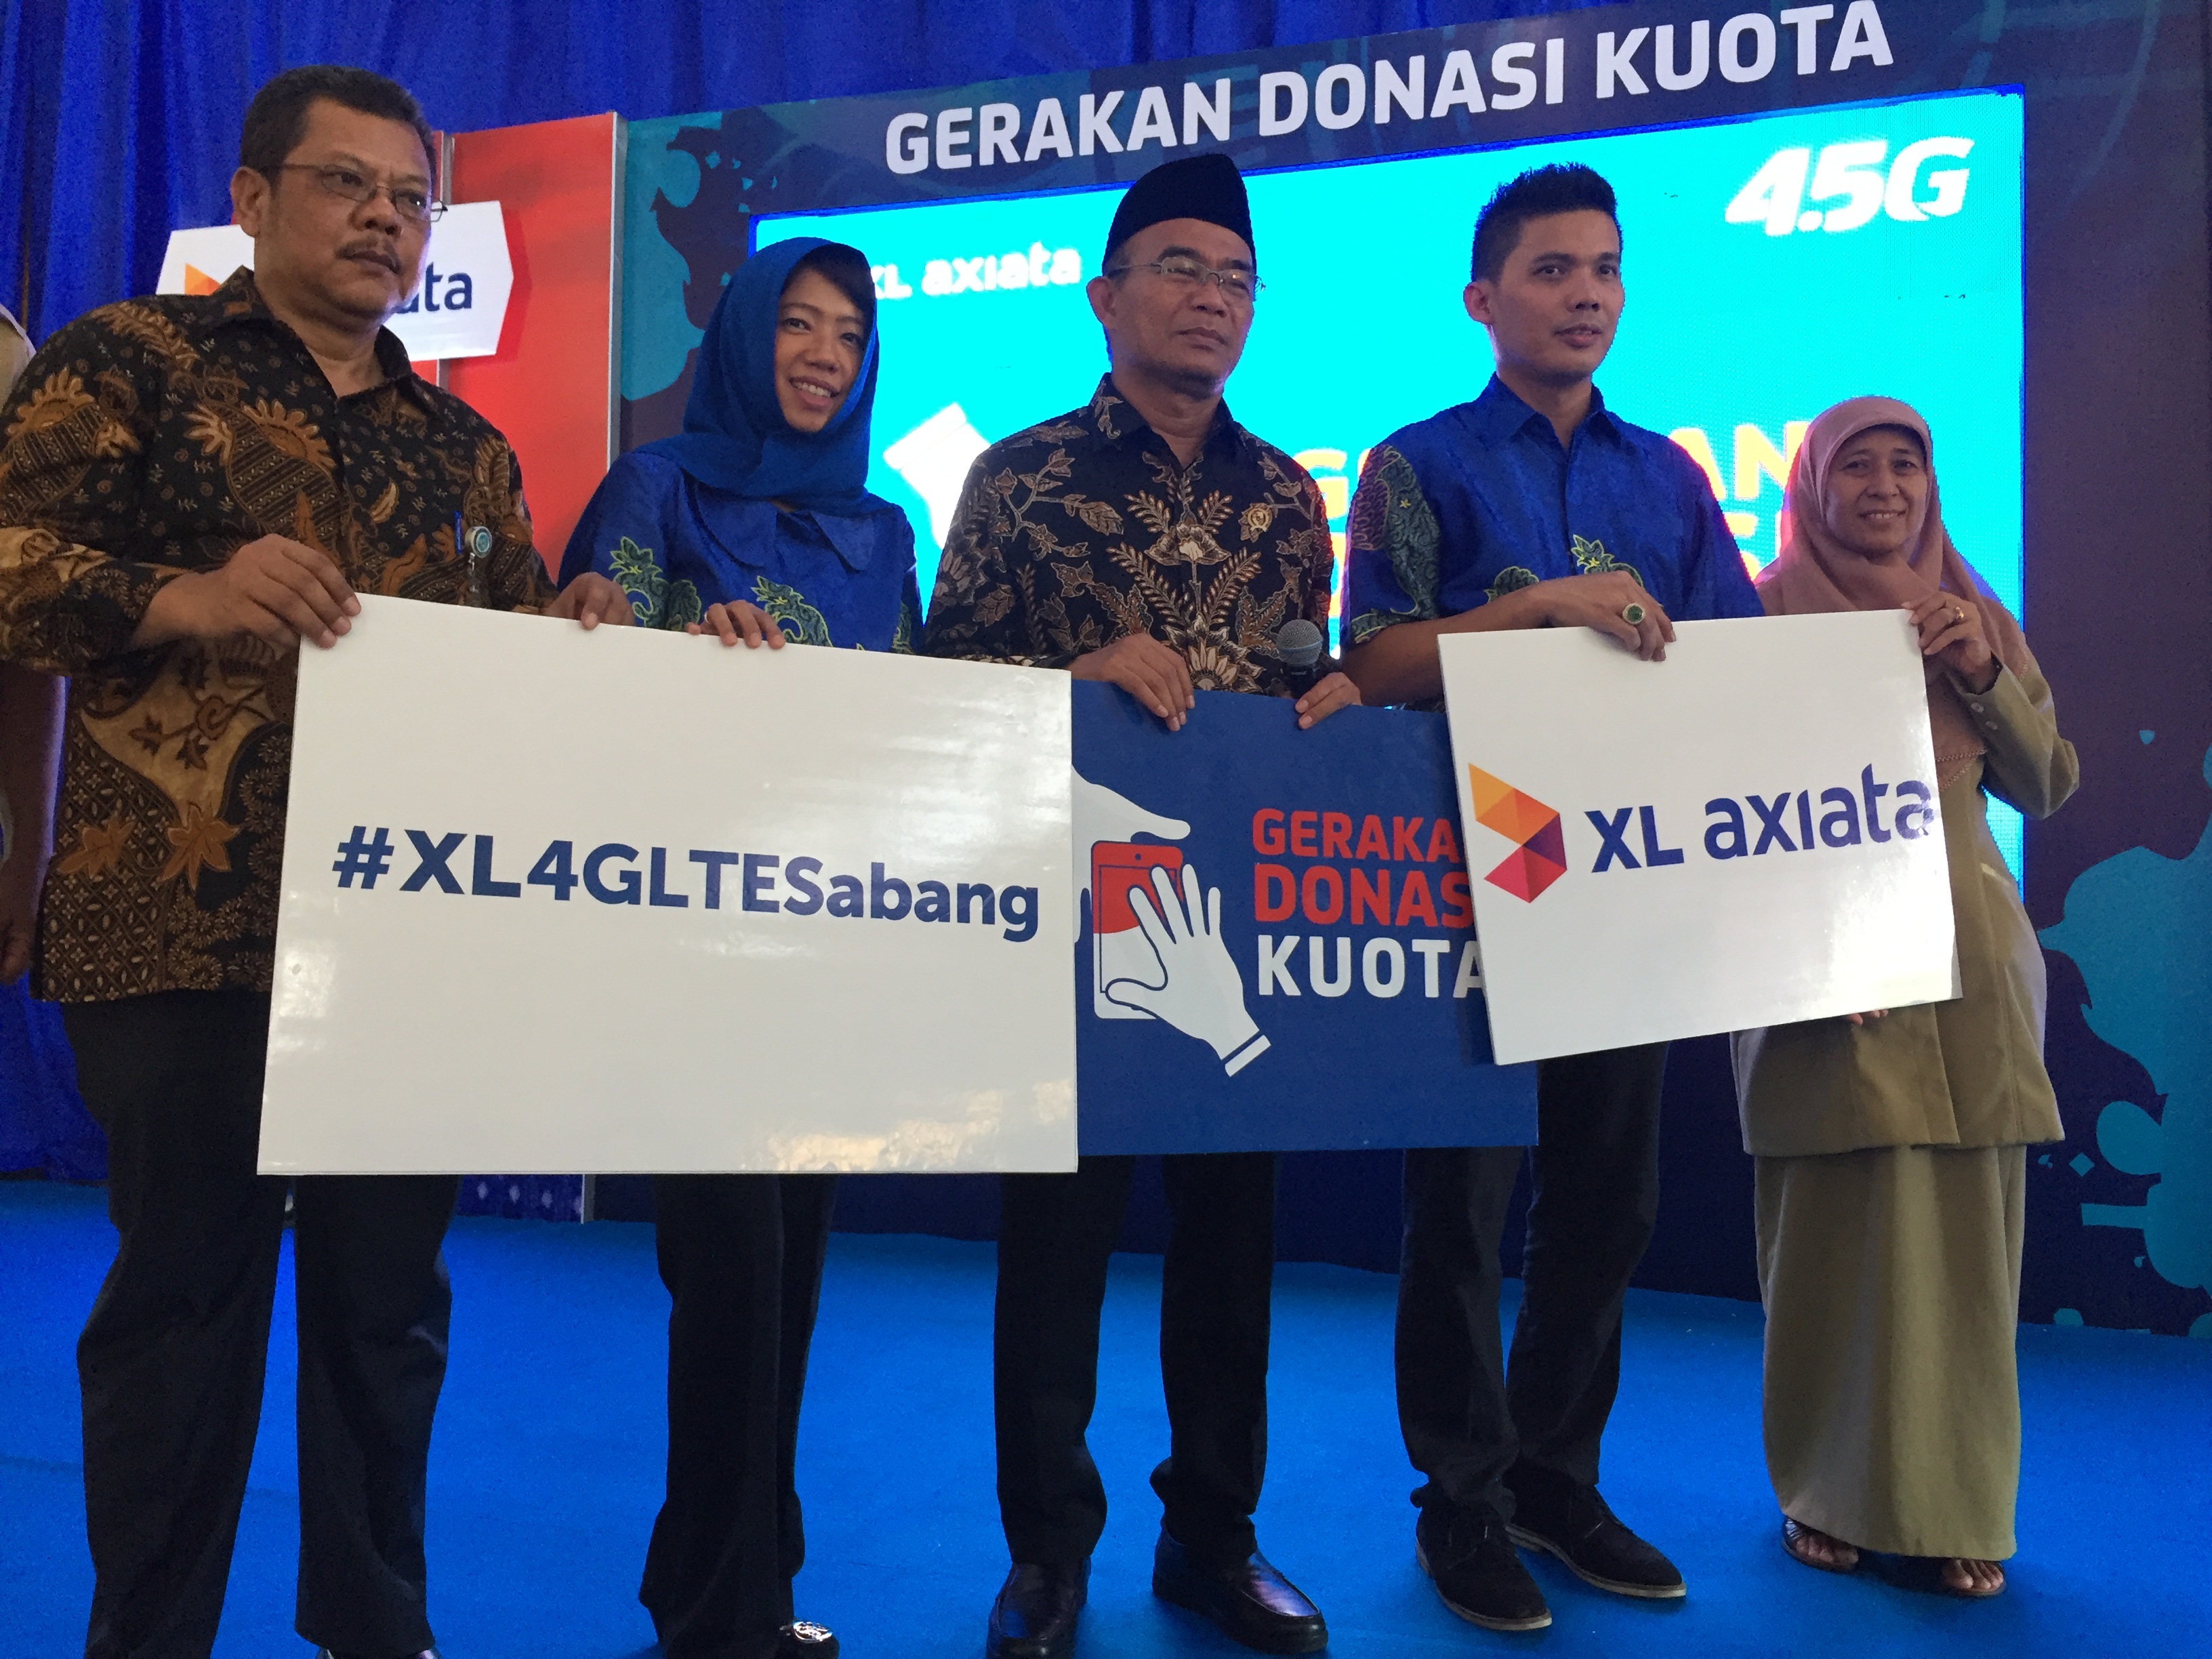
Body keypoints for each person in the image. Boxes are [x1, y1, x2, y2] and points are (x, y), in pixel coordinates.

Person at [0, 65, 632, 1659]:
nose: (383, 221)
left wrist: (570, 629)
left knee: (387, 1314)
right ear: (253, 198)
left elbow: (505, 659)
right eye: (346, 184)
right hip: (180, 926)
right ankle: (148, 1638)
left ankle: (378, 1628)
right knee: (180, 1310)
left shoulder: (467, 449)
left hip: (400, 954)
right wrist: (179, 593)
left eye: (410, 197)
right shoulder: (127, 362)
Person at [925, 152, 1358, 1659]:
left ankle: (1213, 1540)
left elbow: (1306, 674)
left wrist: (1335, 702)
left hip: (1234, 927)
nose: (1211, 298)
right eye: (1180, 268)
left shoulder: (1290, 496)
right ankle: (1046, 1556)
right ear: (1106, 297)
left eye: (1237, 279)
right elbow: (940, 688)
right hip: (1064, 920)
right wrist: (1075, 673)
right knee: (1055, 1251)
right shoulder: (1019, 479)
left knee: (1233, 1248)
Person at [1340, 162, 1761, 1633]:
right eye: (1552, 269)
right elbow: (1374, 663)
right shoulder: (1418, 465)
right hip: (1469, 884)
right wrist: (1535, 609)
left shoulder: (1672, 480)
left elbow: (1738, 670)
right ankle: (1458, 1503)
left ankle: (1553, 1478)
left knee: (1607, 1205)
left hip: (1626, 891)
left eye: (1605, 269)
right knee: (1460, 1209)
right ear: (1484, 297)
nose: (1586, 294)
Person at [559, 234, 917, 1659]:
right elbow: (586, 663)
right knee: (728, 1280)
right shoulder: (658, 485)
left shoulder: (884, 530)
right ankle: (718, 1612)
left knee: (790, 1283)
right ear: (744, 335)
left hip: (829, 949)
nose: (824, 356)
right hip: (691, 947)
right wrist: (674, 643)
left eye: (849, 336)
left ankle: (744, 1584)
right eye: (798, 325)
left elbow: (906, 724)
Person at [1736, 396, 2075, 1599]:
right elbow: (1716, 805)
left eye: (1907, 466)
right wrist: (1813, 944)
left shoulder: (1972, 612)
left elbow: (2047, 784)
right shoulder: (1758, 613)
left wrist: (1980, 672)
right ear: (1812, 486)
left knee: (1970, 1244)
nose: (1885, 487)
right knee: (1831, 1234)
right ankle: (1822, 1494)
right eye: (1858, 467)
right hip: (1818, 959)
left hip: (1970, 958)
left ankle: (1956, 1506)